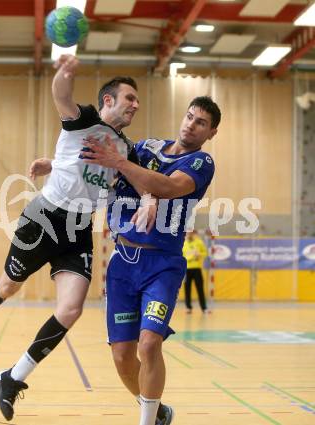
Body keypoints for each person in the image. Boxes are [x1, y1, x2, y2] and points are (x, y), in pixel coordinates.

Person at [0, 54, 149, 423]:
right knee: (9, 285)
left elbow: (128, 178)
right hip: (45, 217)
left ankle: (11, 378)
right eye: (129, 97)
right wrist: (64, 74)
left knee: (71, 309)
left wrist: (148, 197)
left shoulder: (126, 148)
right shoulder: (85, 120)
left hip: (79, 229)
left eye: (137, 100)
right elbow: (61, 98)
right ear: (108, 100)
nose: (136, 104)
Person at [81, 96, 221, 425]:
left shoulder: (202, 162)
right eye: (189, 117)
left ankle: (146, 422)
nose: (191, 124)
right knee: (121, 355)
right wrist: (54, 165)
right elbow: (113, 172)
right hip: (122, 264)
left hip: (162, 265)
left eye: (200, 122)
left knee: (148, 343)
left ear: (211, 132)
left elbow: (171, 186)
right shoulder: (148, 148)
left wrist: (133, 174)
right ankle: (157, 412)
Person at [182, 230, 210, 314]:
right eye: (188, 233)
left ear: (194, 234)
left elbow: (205, 253)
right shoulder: (184, 243)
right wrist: (190, 257)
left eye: (191, 233)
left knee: (200, 289)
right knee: (187, 289)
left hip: (197, 269)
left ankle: (204, 308)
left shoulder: (199, 242)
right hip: (187, 269)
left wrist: (199, 255)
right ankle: (188, 307)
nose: (189, 234)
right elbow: (182, 256)